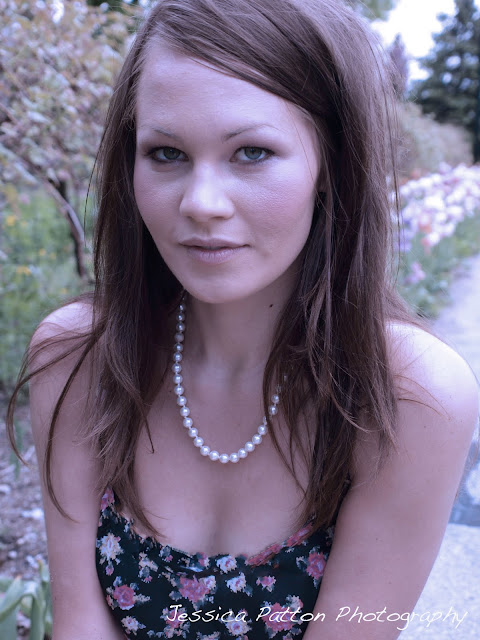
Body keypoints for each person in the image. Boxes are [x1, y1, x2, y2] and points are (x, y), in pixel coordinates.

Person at [6, 0, 479, 638]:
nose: (201, 203)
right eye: (166, 153)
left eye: (251, 152)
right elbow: (80, 625)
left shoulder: (406, 398)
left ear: (331, 165)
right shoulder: (80, 358)